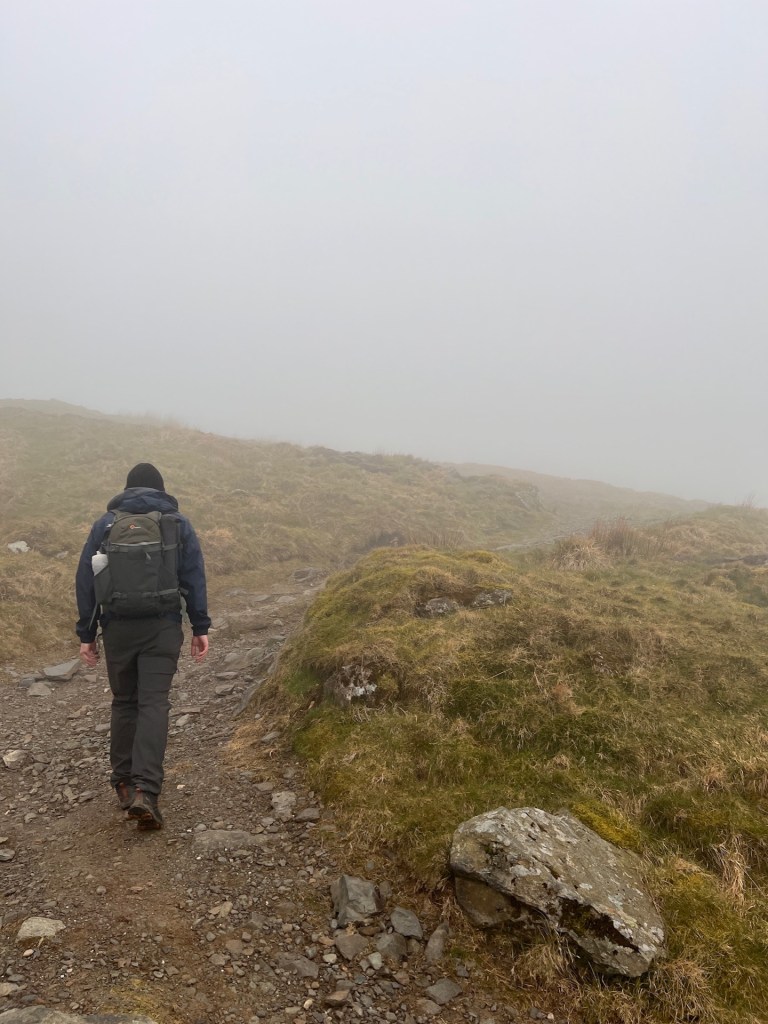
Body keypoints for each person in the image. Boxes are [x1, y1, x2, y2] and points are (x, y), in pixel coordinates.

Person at [75, 463, 210, 829]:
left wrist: (86, 634)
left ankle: (122, 782)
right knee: (153, 703)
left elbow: (87, 580)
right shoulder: (177, 523)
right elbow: (194, 575)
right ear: (161, 489)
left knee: (124, 702)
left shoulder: (105, 525)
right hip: (163, 627)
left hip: (117, 627)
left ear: (127, 489)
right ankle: (146, 792)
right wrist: (201, 626)